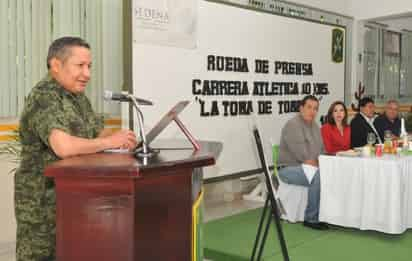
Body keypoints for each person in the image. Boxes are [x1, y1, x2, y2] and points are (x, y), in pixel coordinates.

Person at [14, 37, 137, 261]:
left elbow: (95, 135)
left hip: (74, 198)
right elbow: (63, 146)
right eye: (80, 66)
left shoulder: (77, 97)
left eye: (89, 66)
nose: (87, 74)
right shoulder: (44, 97)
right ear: (56, 65)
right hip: (43, 205)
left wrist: (121, 143)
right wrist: (108, 143)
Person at [278, 95, 328, 230]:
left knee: (327, 173)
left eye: (316, 109)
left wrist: (321, 162)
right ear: (301, 108)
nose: (313, 111)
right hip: (289, 169)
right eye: (309, 107)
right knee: (318, 176)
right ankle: (311, 218)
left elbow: (323, 150)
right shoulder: (293, 125)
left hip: (309, 166)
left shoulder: (315, 126)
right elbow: (303, 156)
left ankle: (325, 215)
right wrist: (319, 163)